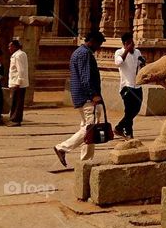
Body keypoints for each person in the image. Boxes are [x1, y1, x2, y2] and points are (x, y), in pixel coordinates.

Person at [54, 31, 105, 168]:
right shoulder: (85, 54)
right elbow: (85, 78)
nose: (99, 47)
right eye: (98, 44)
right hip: (87, 97)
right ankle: (62, 147)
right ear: (92, 41)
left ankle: (86, 161)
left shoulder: (78, 52)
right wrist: (93, 94)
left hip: (81, 96)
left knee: (87, 127)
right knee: (91, 127)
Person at [114, 32, 145, 139]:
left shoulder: (137, 52)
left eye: (133, 42)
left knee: (136, 109)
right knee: (128, 110)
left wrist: (142, 62)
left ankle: (119, 127)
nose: (133, 45)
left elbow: (140, 64)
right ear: (125, 43)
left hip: (137, 85)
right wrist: (127, 50)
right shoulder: (119, 52)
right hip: (126, 86)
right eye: (130, 43)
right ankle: (128, 132)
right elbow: (118, 63)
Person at [7, 38, 29, 126]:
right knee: (16, 101)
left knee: (16, 102)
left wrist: (18, 82)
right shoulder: (19, 54)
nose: (9, 48)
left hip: (17, 83)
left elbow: (21, 70)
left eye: (11, 46)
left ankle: (15, 120)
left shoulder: (18, 55)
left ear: (15, 47)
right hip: (16, 81)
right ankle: (14, 118)